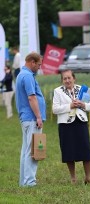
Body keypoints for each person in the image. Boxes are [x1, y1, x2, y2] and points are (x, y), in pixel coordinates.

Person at [52, 70, 90, 185]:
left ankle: (88, 177)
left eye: (69, 78)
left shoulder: (83, 89)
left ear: (74, 78)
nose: (67, 80)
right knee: (68, 151)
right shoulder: (57, 91)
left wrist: (83, 105)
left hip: (80, 122)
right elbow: (55, 109)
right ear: (62, 80)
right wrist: (70, 106)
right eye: (64, 78)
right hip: (65, 125)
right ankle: (73, 178)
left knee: (86, 150)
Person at [15, 52, 46, 187]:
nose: (39, 67)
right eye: (39, 64)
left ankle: (24, 181)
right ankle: (29, 182)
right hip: (32, 118)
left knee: (26, 150)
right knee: (32, 150)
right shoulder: (28, 76)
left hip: (26, 118)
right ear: (32, 62)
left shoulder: (21, 74)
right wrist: (38, 116)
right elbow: (31, 97)